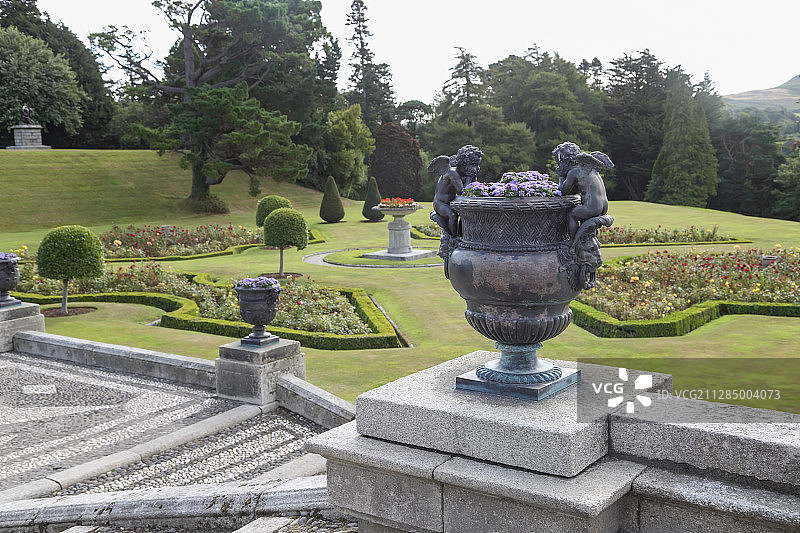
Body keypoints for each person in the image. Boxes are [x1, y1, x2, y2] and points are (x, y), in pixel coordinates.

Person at [553, 142, 613, 240]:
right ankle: (586, 240)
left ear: (566, 160)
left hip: (593, 208)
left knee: (572, 215)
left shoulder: (574, 172)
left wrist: (561, 175)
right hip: (603, 206)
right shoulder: (591, 168)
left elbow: (563, 190)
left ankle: (573, 242)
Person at [428, 145, 484, 237]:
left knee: (466, 214)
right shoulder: (453, 173)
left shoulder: (464, 173)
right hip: (441, 204)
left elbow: (473, 188)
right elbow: (462, 192)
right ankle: (454, 238)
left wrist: (474, 177)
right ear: (464, 164)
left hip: (452, 203)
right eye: (474, 165)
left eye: (477, 165)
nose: (476, 168)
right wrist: (469, 178)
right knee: (453, 215)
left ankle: (463, 236)